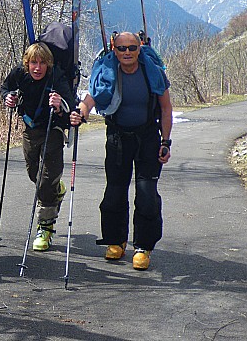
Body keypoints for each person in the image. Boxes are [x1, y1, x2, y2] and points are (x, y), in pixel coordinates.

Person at [69, 31, 172, 271]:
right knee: (114, 191)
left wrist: (165, 141)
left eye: (132, 48)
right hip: (117, 137)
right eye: (122, 48)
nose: (127, 53)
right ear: (114, 49)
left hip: (147, 137)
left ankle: (143, 246)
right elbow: (90, 98)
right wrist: (81, 113)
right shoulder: (107, 72)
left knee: (147, 193)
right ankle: (116, 240)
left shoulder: (152, 72)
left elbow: (166, 108)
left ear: (139, 48)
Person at [0, 42, 74, 251]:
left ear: (49, 64)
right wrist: (8, 98)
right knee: (34, 174)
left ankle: (45, 227)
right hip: (30, 130)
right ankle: (56, 190)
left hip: (53, 130)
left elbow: (71, 110)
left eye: (42, 63)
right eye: (33, 62)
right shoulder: (19, 74)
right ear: (27, 63)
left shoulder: (56, 77)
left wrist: (60, 106)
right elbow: (4, 89)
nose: (37, 67)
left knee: (45, 181)